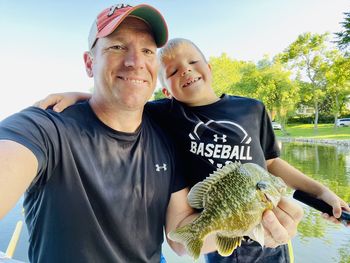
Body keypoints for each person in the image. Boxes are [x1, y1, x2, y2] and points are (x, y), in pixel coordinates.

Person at [0, 4, 303, 263]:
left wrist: (250, 224)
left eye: (147, 50)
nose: (135, 61)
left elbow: (180, 239)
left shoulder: (166, 138)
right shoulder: (45, 126)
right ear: (90, 63)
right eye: (117, 46)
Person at [38, 38, 350, 263]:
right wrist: (78, 95)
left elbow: (273, 163)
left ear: (209, 67)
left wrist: (321, 191)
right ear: (165, 90)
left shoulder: (252, 109)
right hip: (219, 234)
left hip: (266, 226)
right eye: (172, 72)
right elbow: (119, 102)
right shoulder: (165, 113)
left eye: (192, 62)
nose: (184, 71)